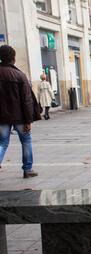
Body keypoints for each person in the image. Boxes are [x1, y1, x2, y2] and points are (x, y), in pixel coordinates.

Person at [0, 45, 38, 178]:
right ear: (13, 58)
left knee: (2, 143)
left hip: (2, 117)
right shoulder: (20, 75)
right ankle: (27, 169)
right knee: (26, 141)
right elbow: (27, 101)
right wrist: (28, 120)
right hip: (20, 117)